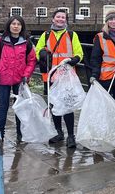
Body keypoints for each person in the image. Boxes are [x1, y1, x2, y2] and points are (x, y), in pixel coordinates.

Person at [35, 9, 84, 149]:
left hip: (66, 76)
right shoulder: (46, 35)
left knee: (68, 106)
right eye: (58, 17)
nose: (60, 19)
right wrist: (42, 53)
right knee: (54, 105)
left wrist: (74, 59)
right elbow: (37, 51)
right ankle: (59, 133)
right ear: (53, 19)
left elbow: (79, 52)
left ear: (66, 20)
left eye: (63, 17)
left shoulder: (71, 35)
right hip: (50, 76)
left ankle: (71, 136)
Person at [0, 15, 36, 142]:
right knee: (3, 107)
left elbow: (31, 61)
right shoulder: (0, 41)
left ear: (22, 27)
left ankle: (20, 133)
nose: (16, 26)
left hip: (19, 80)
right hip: (2, 79)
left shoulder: (27, 43)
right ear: (9, 25)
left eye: (18, 24)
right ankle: (0, 134)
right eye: (13, 24)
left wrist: (26, 75)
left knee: (20, 107)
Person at [88, 11, 115, 108]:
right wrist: (94, 74)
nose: (113, 22)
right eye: (111, 19)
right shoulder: (101, 37)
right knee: (105, 105)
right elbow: (95, 58)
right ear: (106, 21)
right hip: (106, 76)